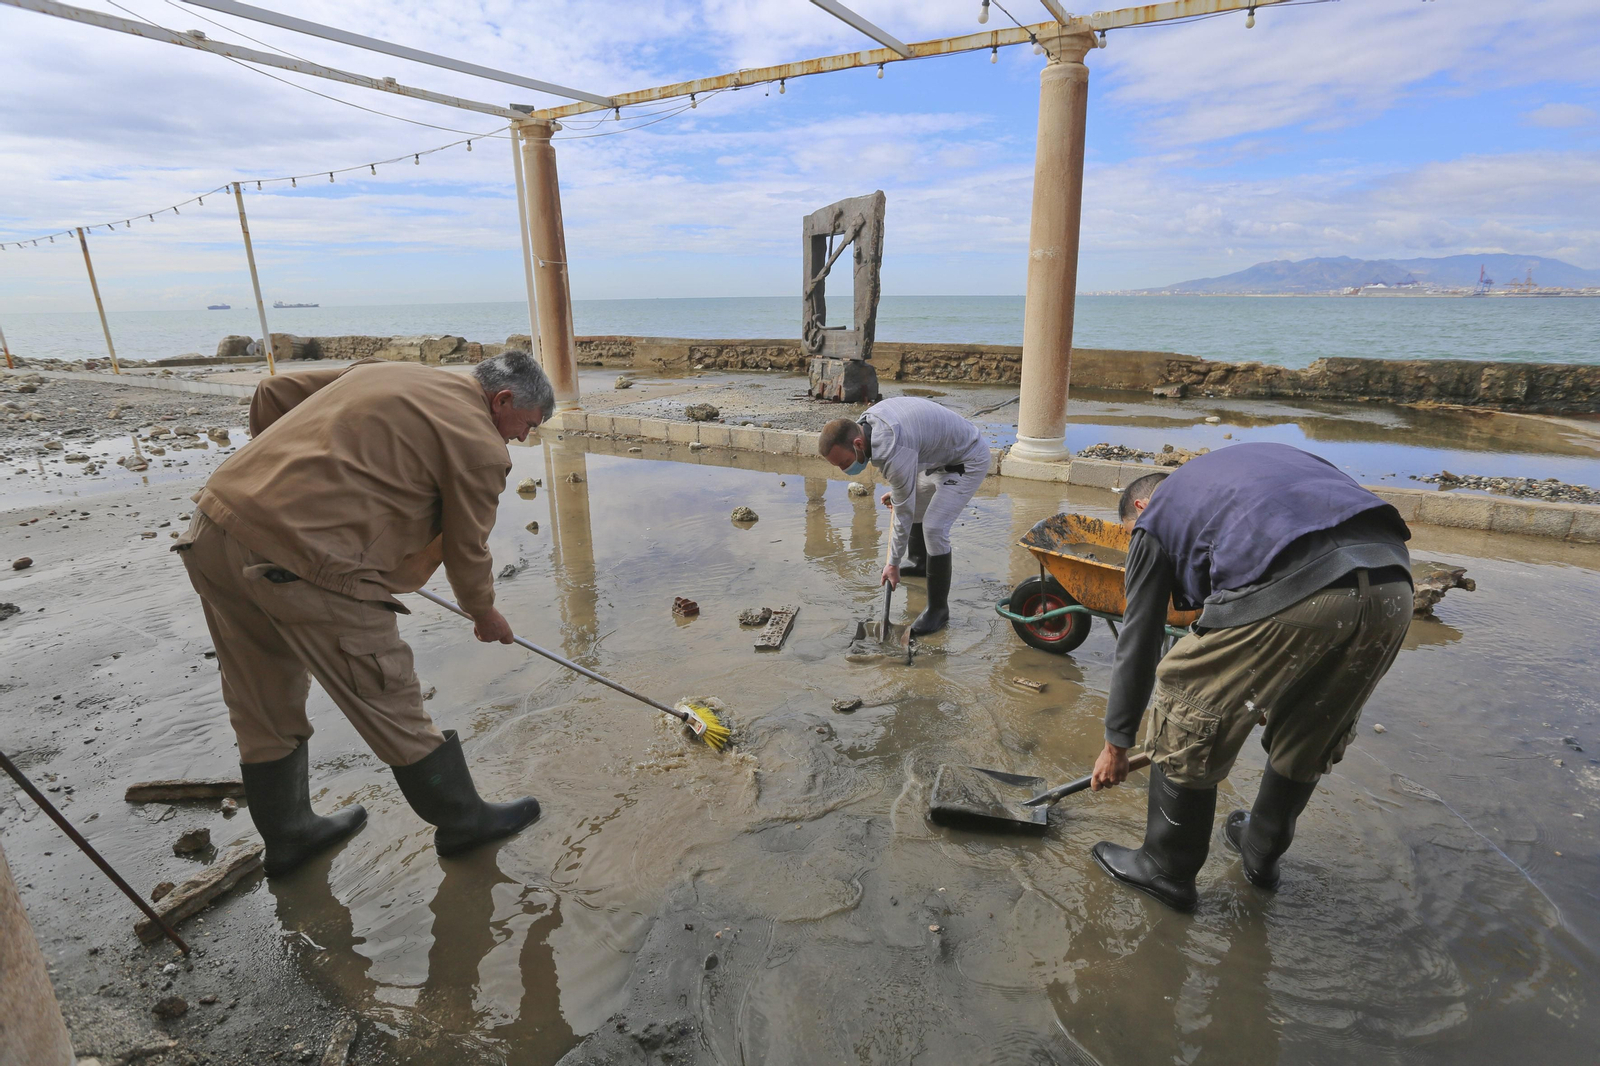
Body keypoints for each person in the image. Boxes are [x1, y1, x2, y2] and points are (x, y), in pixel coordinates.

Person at [175, 351, 554, 876]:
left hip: (216, 527)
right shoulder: (479, 445)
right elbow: (468, 549)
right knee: (387, 689)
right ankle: (464, 820)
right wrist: (485, 614)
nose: (523, 438)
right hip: (305, 562)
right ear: (503, 399)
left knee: (260, 697)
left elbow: (272, 393)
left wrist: (286, 484)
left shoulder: (390, 372)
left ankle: (291, 836)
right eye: (527, 426)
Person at [1088, 442, 1412, 911]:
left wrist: (1116, 744)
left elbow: (1137, 641)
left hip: (1303, 586)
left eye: (1129, 533)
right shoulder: (1246, 474)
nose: (1134, 541)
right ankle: (1261, 850)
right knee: (1314, 721)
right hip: (1393, 584)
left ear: (1141, 505)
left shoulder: (1156, 518)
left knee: (1186, 687)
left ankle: (1166, 867)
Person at [818, 397, 991, 635]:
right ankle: (921, 563)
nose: (845, 470)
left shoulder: (893, 447)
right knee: (915, 502)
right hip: (936, 459)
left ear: (858, 443)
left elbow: (903, 512)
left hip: (966, 459)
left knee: (934, 527)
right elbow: (910, 463)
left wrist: (893, 564)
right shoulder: (868, 424)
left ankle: (938, 610)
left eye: (845, 462)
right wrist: (903, 491)